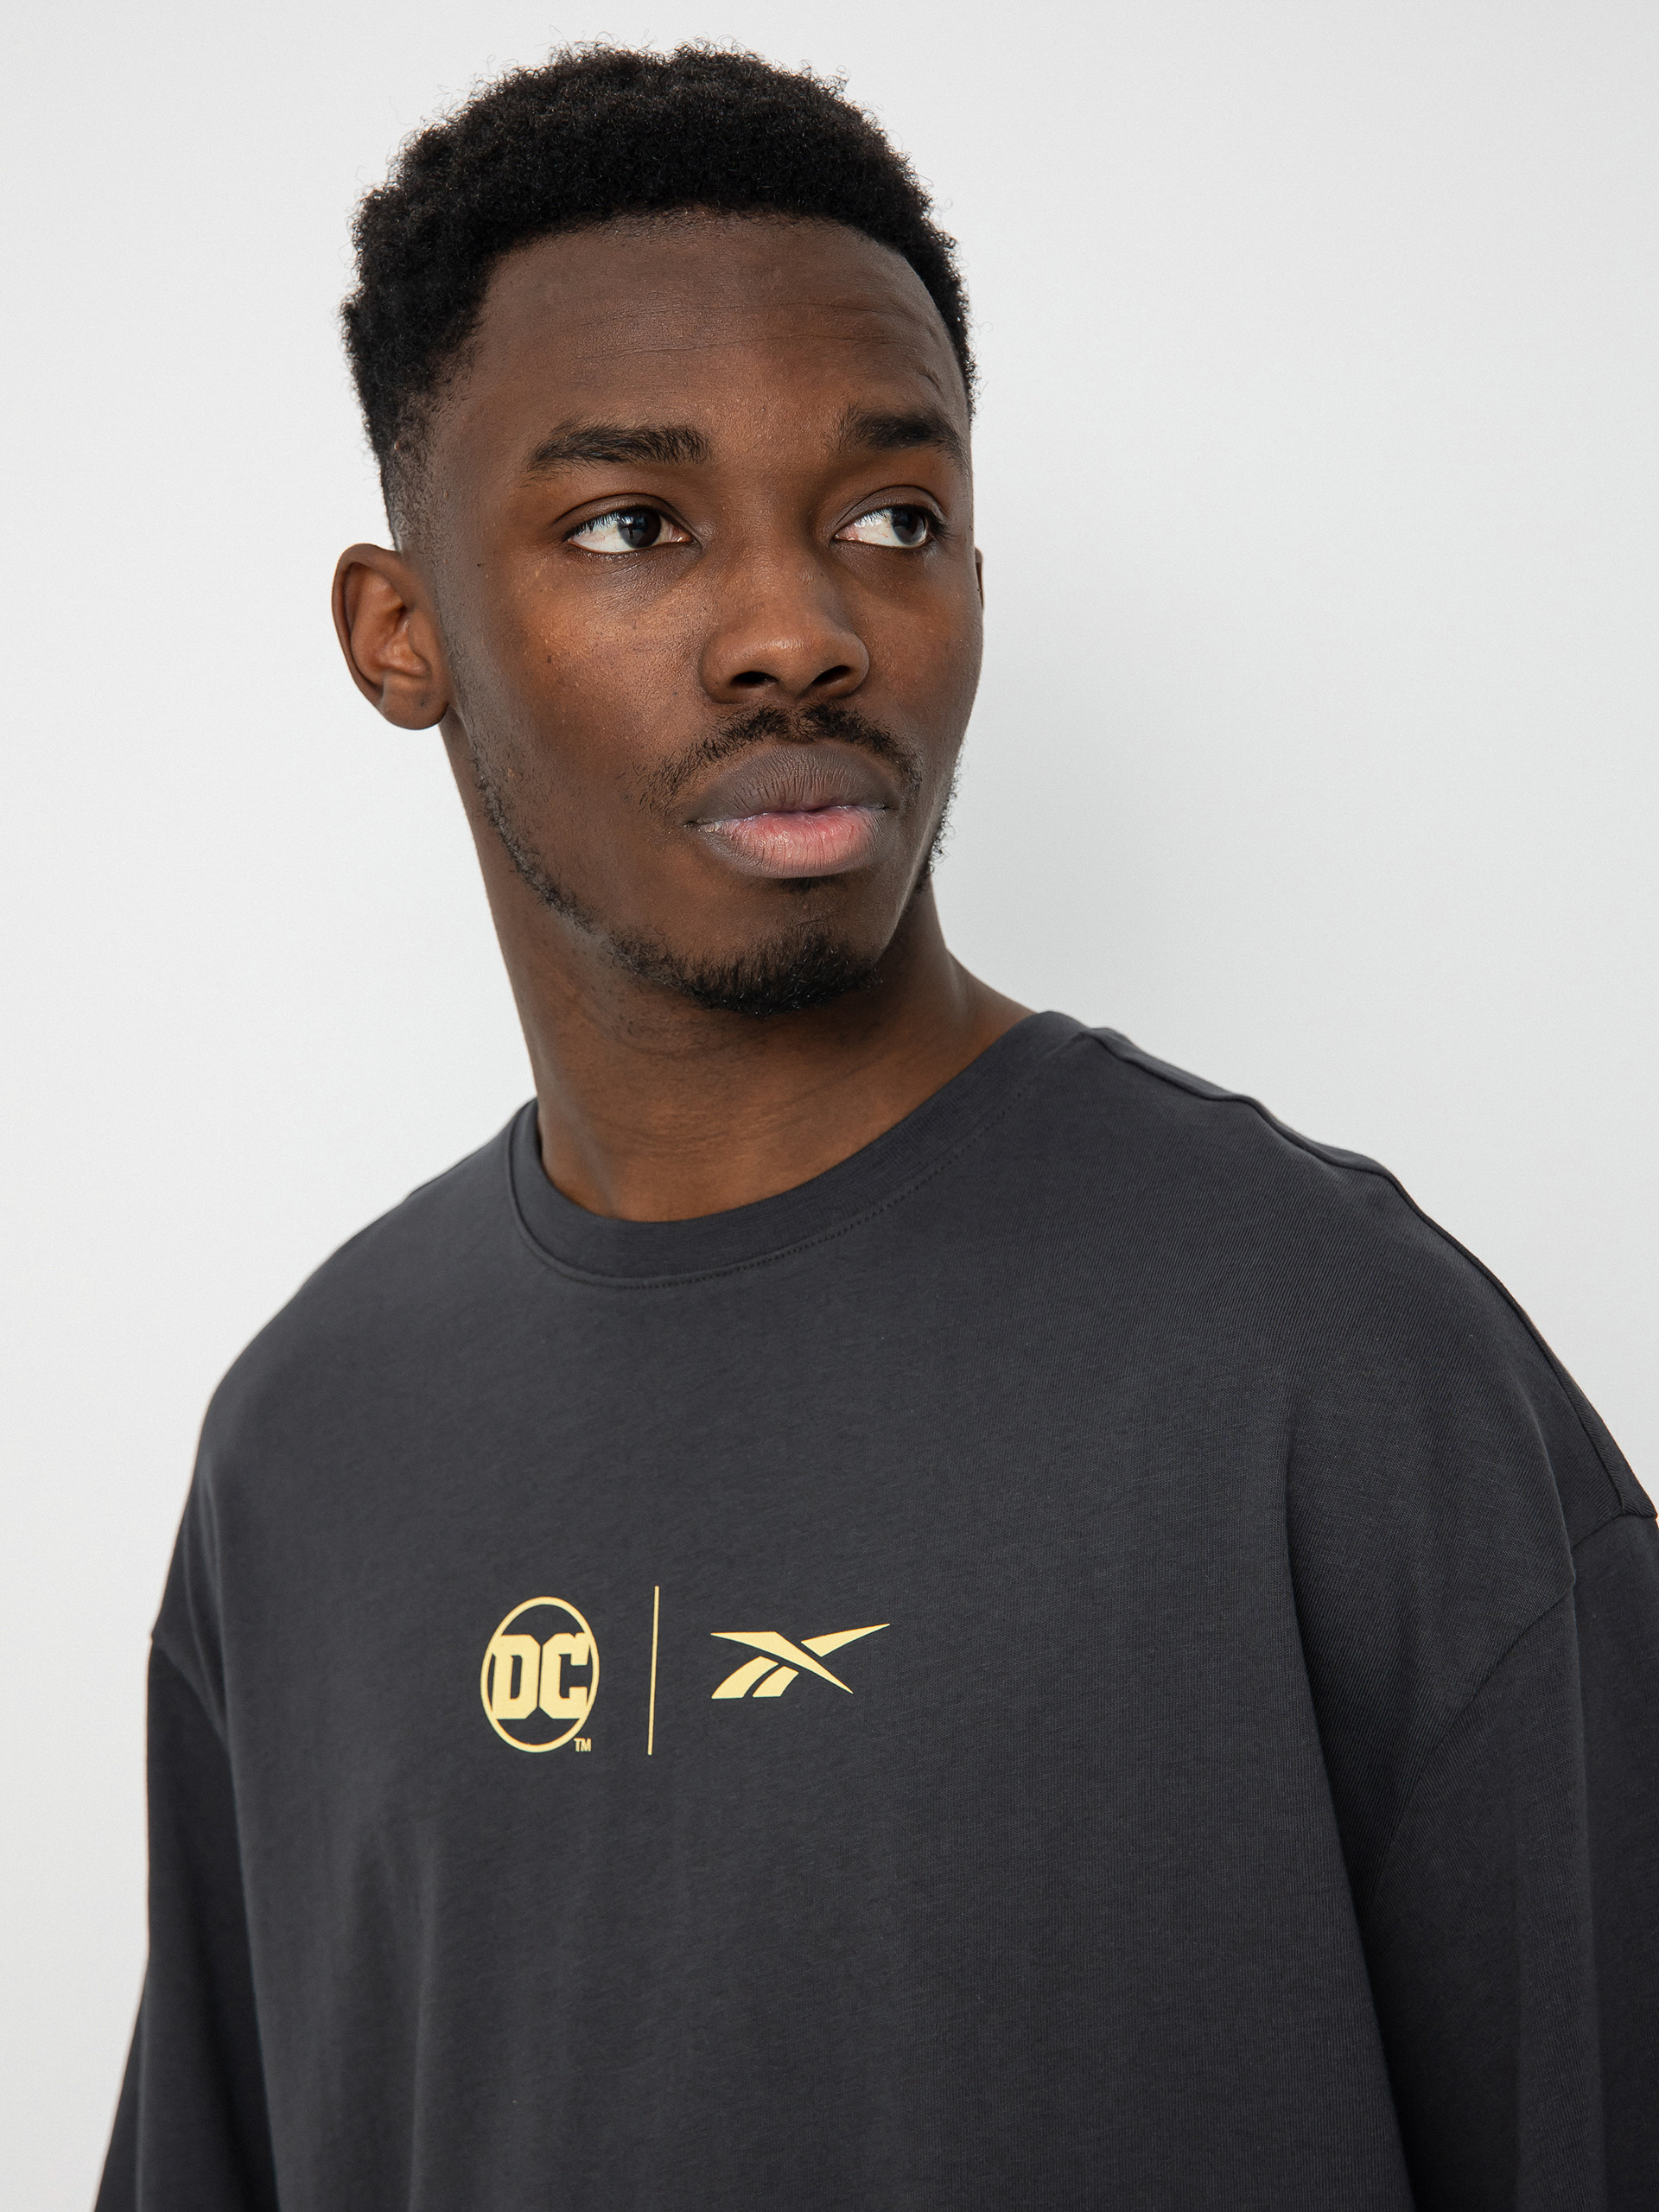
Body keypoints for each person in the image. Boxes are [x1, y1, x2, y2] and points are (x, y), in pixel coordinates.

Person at [98, 45, 1657, 2212]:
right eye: (635, 525)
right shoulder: (307, 1446)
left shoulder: (1338, 1363)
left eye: (891, 519)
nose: (799, 633)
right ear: (401, 631)